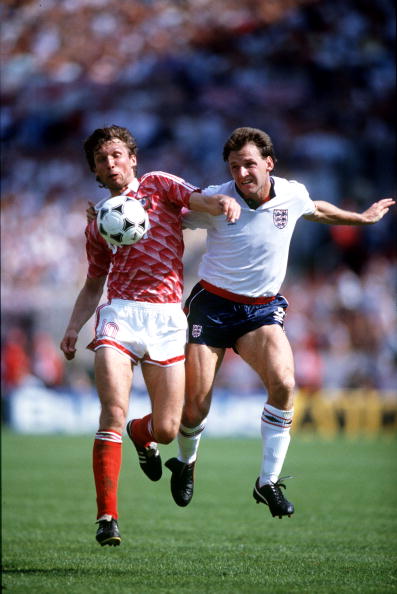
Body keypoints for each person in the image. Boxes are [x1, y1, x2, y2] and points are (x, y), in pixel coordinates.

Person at [164, 126, 395, 519]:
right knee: (194, 409)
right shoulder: (217, 200)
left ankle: (267, 481)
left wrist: (360, 218)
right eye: (234, 166)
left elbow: (316, 208)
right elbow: (174, 214)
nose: (241, 173)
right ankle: (187, 463)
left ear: (269, 163)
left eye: (249, 164)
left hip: (261, 310)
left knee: (285, 384)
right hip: (213, 307)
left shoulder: (291, 193)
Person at [60, 125, 240, 547]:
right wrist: (73, 327)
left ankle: (142, 437)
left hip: (165, 320)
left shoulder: (160, 186)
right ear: (96, 174)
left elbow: (196, 199)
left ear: (132, 159)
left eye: (117, 154)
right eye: (102, 160)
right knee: (112, 413)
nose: (111, 163)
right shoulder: (98, 226)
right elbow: (92, 284)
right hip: (120, 315)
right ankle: (107, 516)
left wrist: (221, 201)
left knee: (166, 428)